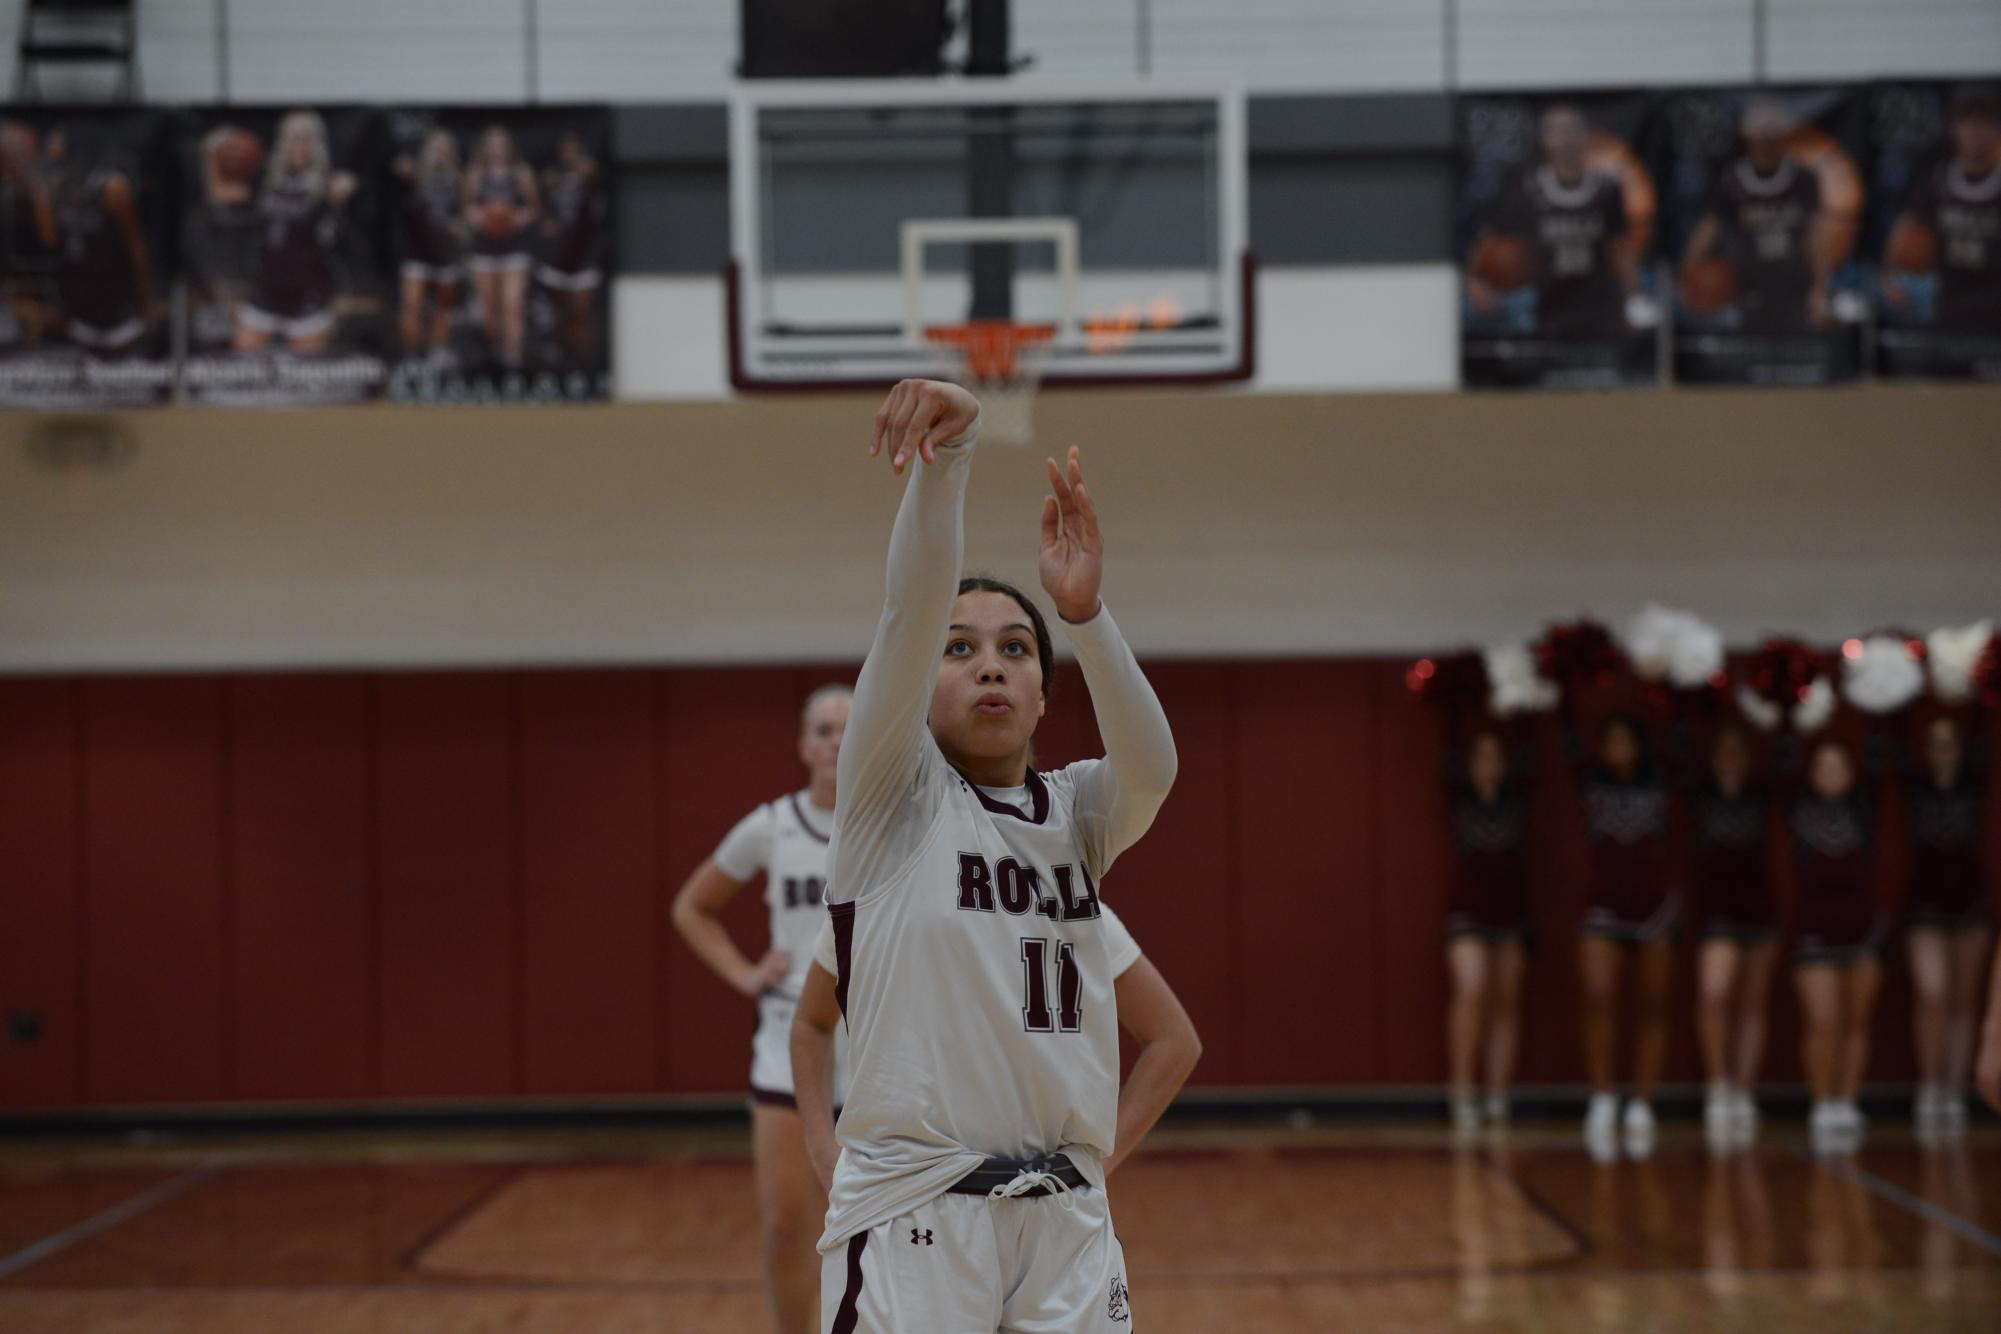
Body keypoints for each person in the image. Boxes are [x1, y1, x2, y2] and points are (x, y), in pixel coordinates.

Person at [809, 378, 1177, 1333]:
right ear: (919, 687)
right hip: (918, 1216)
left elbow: (1152, 768)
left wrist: (1087, 620)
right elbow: (905, 614)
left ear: (1043, 694)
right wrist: (953, 461)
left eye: (1015, 648)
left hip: (1063, 1217)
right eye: (959, 647)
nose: (988, 664)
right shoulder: (891, 800)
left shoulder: (1075, 815)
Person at [791, 899, 1200, 1202]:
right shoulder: (874, 896)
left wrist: (1098, 1166)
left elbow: (1174, 1041)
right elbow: (810, 1023)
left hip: (1047, 1201)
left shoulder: (1075, 907)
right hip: (915, 1200)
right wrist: (824, 1152)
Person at [670, 684, 853, 1334]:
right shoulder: (772, 825)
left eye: (847, 728)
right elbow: (693, 907)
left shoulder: (893, 822)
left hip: (875, 1045)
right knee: (785, 1223)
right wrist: (744, 974)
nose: (835, 739)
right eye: (824, 729)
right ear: (804, 745)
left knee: (877, 1225)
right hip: (788, 1039)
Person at [1575, 715, 1677, 1154]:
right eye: (1610, 741)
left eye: (1626, 740)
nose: (1618, 749)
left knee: (1653, 1005)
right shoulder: (1589, 782)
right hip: (1603, 903)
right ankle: (1601, 1096)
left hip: (1653, 905)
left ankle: (1642, 1102)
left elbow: (1681, 735)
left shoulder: (1663, 781)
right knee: (1599, 998)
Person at [1467, 103, 1643, 338]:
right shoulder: (1527, 189)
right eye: (1558, 131)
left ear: (1586, 135)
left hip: (1596, 305)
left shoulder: (1606, 190)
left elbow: (1620, 247)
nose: (1566, 139)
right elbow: (1491, 236)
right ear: (1543, 139)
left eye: (1572, 130)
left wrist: (1633, 297)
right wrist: (1474, 280)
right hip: (1542, 305)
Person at [1790, 739, 1886, 1151]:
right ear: (1811, 775)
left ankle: (1848, 1100)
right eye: (1822, 767)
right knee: (1823, 1020)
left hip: (1861, 926)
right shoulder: (1797, 809)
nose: (1831, 775)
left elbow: (1884, 759)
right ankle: (1822, 1100)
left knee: (1855, 1021)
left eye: (1838, 767)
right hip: (1814, 926)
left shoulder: (1864, 808)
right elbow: (1782, 760)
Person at [1681, 99, 1836, 334]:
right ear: (1748, 139)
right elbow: (1709, 228)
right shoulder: (1731, 181)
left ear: (1783, 137)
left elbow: (1816, 236)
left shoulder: (1802, 178)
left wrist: (1819, 287)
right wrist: (1688, 268)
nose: (1766, 145)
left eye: (1771, 137)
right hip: (1746, 283)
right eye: (1760, 138)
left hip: (1793, 281)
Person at [1691, 726, 1779, 1142]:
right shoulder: (1702, 796)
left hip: (1758, 907)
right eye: (1723, 750)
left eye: (1737, 750)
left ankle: (1744, 1088)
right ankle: (1718, 1082)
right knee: (1715, 992)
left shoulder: (1762, 796)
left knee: (1752, 1003)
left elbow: (1787, 756)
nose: (1730, 758)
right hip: (1715, 912)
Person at [1442, 728, 1532, 1135]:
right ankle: (1462, 1090)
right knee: (1471, 990)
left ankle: (1498, 1094)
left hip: (1510, 912)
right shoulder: (1459, 800)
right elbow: (1446, 741)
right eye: (1481, 757)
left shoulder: (1517, 800)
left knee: (1505, 1002)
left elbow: (1533, 750)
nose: (1489, 765)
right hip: (1468, 912)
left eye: (1497, 757)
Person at [1903, 715, 1990, 1133]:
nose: (1943, 751)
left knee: (1963, 997)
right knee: (1933, 993)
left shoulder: (1975, 783)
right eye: (1935, 743)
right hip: (1925, 899)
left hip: (1969, 897)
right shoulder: (1915, 787)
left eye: (1949, 743)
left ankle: (1955, 1088)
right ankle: (1930, 1083)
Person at [223, 111, 357, 355]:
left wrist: (337, 205)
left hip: (307, 288)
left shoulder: (327, 184)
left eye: (306, 138)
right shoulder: (264, 178)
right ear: (282, 141)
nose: (299, 144)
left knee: (306, 373)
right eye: (293, 137)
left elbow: (334, 240)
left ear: (317, 144)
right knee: (241, 359)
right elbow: (229, 199)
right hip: (267, 284)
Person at [1884, 90, 2001, 332]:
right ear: (1955, 129)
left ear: (1996, 130)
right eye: (1968, 123)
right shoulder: (1937, 180)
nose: (1975, 132)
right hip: (1951, 297)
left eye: (1983, 124)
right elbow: (1906, 225)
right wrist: (1890, 272)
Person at [460, 124, 538, 369]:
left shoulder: (521, 173)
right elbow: (466, 208)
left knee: (512, 305)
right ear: (485, 148)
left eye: (501, 143)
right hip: (484, 247)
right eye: (492, 144)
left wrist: (516, 218)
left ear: (509, 146)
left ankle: (513, 360)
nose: (497, 149)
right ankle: (496, 353)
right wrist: (478, 216)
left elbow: (535, 208)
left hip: (515, 246)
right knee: (489, 310)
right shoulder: (475, 174)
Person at [535, 130, 605, 367]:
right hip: (559, 253)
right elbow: (541, 212)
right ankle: (564, 356)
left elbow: (594, 175)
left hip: (584, 252)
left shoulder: (587, 175)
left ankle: (586, 361)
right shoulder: (551, 178)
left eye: (573, 150)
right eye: (565, 151)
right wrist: (547, 222)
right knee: (562, 311)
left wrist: (581, 166)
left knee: (582, 311)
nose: (569, 155)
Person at [394, 128, 465, 362]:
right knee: (412, 306)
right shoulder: (416, 177)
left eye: (445, 150)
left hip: (446, 251)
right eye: (436, 149)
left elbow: (466, 212)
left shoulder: (459, 180)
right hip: (417, 249)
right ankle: (411, 356)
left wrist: (460, 224)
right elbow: (399, 168)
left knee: (443, 306)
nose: (440, 154)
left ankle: (437, 353)